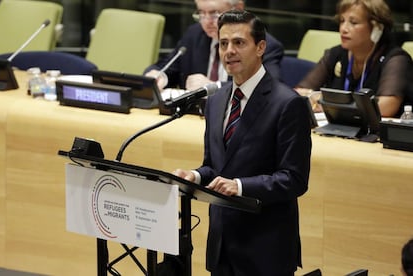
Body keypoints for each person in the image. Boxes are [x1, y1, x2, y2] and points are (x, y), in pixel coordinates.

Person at [173, 10, 311, 276]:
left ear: (260, 47)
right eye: (224, 44)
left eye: (239, 43)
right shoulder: (215, 101)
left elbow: (294, 179)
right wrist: (194, 176)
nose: (229, 51)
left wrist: (239, 186)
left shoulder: (287, 104)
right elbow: (214, 167)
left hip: (265, 251)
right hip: (222, 245)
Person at [295, 0, 413, 118]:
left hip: (379, 135)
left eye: (353, 22)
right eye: (342, 21)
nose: (343, 29)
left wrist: (329, 104)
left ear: (377, 29)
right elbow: (299, 94)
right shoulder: (336, 54)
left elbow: (385, 108)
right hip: (340, 129)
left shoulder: (396, 59)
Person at [144, 0, 284, 91]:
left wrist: (214, 88)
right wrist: (159, 76)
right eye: (201, 13)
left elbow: (266, 88)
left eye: (215, 14)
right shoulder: (195, 35)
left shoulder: (263, 45)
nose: (206, 22)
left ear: (239, 9)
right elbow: (166, 67)